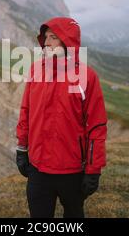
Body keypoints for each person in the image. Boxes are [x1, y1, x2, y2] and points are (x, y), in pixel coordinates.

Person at [15, 17, 108, 218]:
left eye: (53, 37)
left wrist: (94, 169)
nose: (46, 42)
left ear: (68, 42)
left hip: (72, 171)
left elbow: (97, 127)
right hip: (38, 169)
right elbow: (26, 111)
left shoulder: (87, 77)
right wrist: (22, 149)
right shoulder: (35, 70)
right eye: (45, 37)